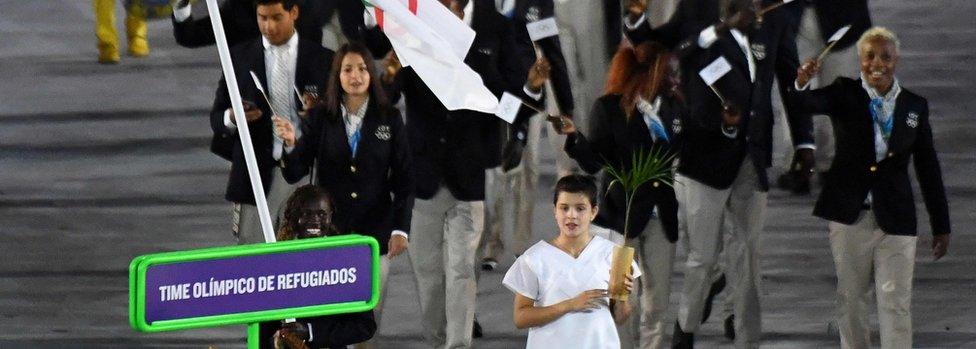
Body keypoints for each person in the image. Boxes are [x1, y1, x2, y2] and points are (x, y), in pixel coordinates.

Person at [622, 1, 815, 347]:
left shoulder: (773, 19)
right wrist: (636, 20)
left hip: (752, 158)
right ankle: (687, 328)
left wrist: (804, 142)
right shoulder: (697, 8)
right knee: (702, 257)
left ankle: (747, 336)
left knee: (748, 253)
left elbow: (789, 78)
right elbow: (661, 49)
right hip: (703, 157)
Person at [380, 0, 531, 346]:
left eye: (454, 12)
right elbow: (386, 99)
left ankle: (457, 345)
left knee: (463, 269)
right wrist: (388, 74)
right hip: (424, 179)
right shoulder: (414, 44)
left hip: (469, 179)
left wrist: (531, 91)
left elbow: (508, 103)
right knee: (429, 275)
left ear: (462, 17)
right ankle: (438, 341)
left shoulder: (486, 47)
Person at [789, 27, 951, 349]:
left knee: (895, 301)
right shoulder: (843, 92)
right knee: (851, 302)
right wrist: (802, 81)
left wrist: (941, 224)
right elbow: (803, 104)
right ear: (860, 60)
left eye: (885, 57)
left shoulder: (914, 107)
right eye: (869, 56)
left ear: (897, 60)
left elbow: (928, 167)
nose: (877, 64)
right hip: (851, 215)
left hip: (897, 218)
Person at [277, 41, 414, 348]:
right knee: (329, 314)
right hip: (328, 236)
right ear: (336, 76)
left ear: (372, 74)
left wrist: (400, 229)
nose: (356, 76)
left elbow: (405, 178)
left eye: (363, 69)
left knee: (365, 322)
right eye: (348, 69)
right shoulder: (319, 117)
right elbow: (294, 171)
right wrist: (289, 143)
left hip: (374, 236)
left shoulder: (389, 118)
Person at [552, 41, 682, 349]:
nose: (676, 79)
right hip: (621, 222)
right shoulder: (608, 108)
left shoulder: (676, 108)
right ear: (649, 74)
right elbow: (595, 160)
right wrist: (574, 137)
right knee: (621, 299)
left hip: (661, 217)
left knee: (657, 301)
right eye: (669, 73)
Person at [208, 0, 334, 245]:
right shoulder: (238, 57)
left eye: (276, 17)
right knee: (253, 259)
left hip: (305, 173)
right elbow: (217, 117)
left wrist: (317, 114)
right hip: (254, 174)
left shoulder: (324, 60)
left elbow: (335, 119)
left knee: (305, 258)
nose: (268, 26)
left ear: (294, 12)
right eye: (262, 17)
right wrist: (233, 117)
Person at [503, 174, 640, 349]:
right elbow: (521, 317)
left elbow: (620, 318)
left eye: (580, 208)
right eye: (564, 208)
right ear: (555, 211)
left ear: (594, 212)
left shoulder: (613, 255)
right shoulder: (534, 258)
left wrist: (622, 299)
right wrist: (570, 305)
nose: (571, 215)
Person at [259, 184, 377, 349]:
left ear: (331, 216)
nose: (314, 220)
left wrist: (311, 332)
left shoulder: (346, 263)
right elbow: (262, 329)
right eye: (306, 214)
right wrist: (277, 341)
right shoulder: (275, 263)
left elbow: (364, 326)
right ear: (293, 218)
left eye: (321, 214)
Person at [775, 0, 872, 194]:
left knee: (838, 93)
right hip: (795, 18)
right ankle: (802, 162)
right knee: (794, 91)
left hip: (841, 20)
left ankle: (828, 162)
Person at [170, 0, 334, 49]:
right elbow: (191, 36)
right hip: (248, 113)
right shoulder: (238, 10)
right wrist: (181, 6)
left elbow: (314, 65)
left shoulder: (302, 13)